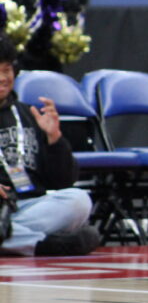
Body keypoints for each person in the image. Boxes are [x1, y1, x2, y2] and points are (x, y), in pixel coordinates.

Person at [0, 36, 99, 257]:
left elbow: (62, 181)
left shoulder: (28, 114)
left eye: (7, 70)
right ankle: (43, 245)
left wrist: (55, 140)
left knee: (78, 200)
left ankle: (14, 238)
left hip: (28, 207)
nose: (3, 78)